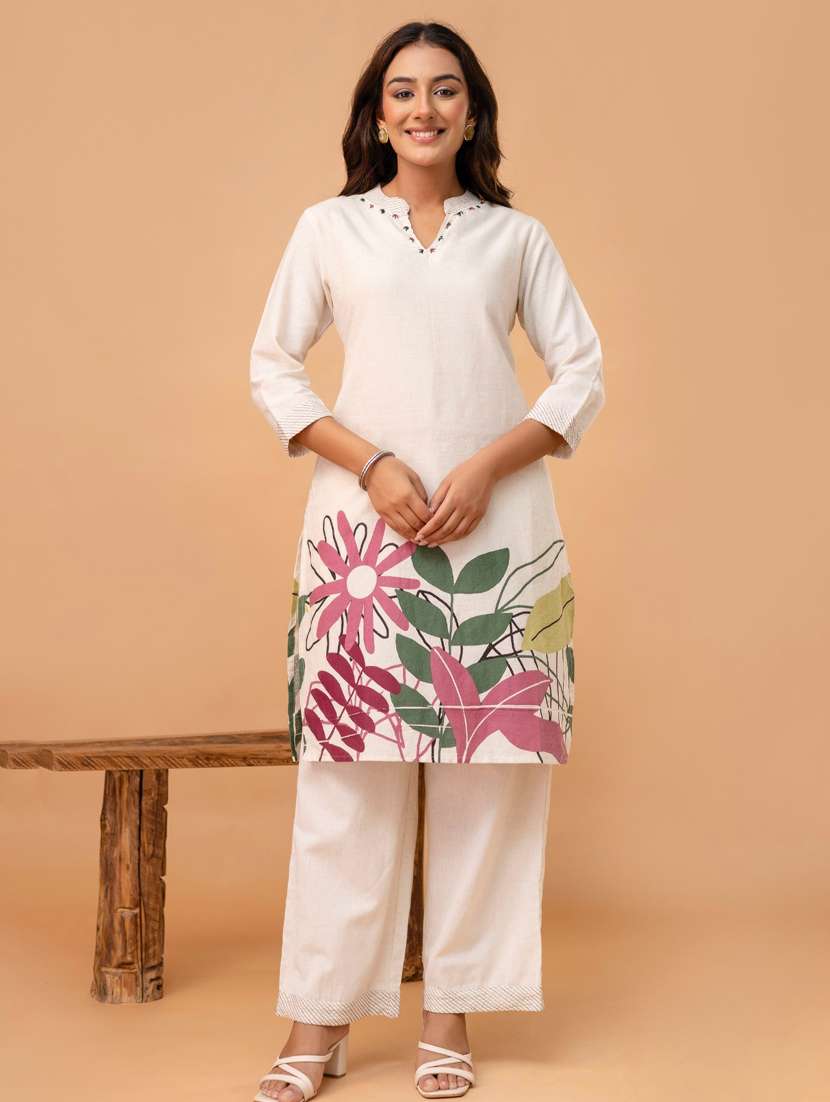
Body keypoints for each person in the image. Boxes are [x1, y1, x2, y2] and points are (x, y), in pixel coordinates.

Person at [249, 19, 605, 1102]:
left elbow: (580, 373)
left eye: (444, 90)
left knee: (485, 783)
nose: (422, 108)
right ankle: (317, 1021)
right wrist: (371, 464)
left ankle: (451, 1014)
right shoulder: (327, 229)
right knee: (345, 778)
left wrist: (488, 465)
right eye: (402, 91)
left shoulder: (516, 239)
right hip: (364, 541)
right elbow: (273, 367)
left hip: (497, 538)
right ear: (375, 114)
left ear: (472, 112)